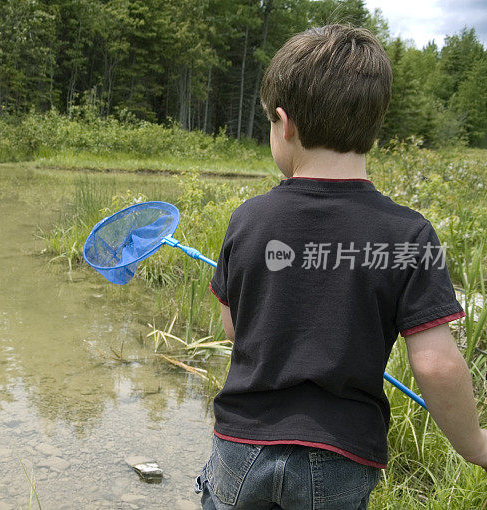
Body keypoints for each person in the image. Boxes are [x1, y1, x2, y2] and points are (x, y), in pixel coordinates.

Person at [195, 24, 487, 510]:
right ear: (374, 127)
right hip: (340, 455)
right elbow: (435, 363)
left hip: (243, 443)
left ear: (284, 124)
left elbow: (233, 328)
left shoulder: (247, 219)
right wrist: (474, 442)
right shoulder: (410, 235)